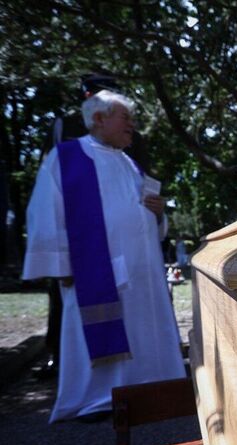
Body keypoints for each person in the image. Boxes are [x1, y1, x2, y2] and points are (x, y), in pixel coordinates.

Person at [22, 90, 185, 422]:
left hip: (143, 273)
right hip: (95, 271)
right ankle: (98, 398)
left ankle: (149, 387)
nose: (133, 125)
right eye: (126, 117)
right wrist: (63, 265)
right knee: (100, 330)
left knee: (143, 328)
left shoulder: (131, 165)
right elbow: (45, 213)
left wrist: (159, 214)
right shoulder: (66, 158)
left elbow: (151, 225)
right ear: (98, 118)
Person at [38, 74, 153, 378]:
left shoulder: (130, 137)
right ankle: (61, 357)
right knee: (69, 304)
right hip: (82, 235)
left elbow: (145, 179)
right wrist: (59, 259)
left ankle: (138, 369)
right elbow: (53, 186)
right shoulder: (68, 126)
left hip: (125, 241)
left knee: (132, 304)